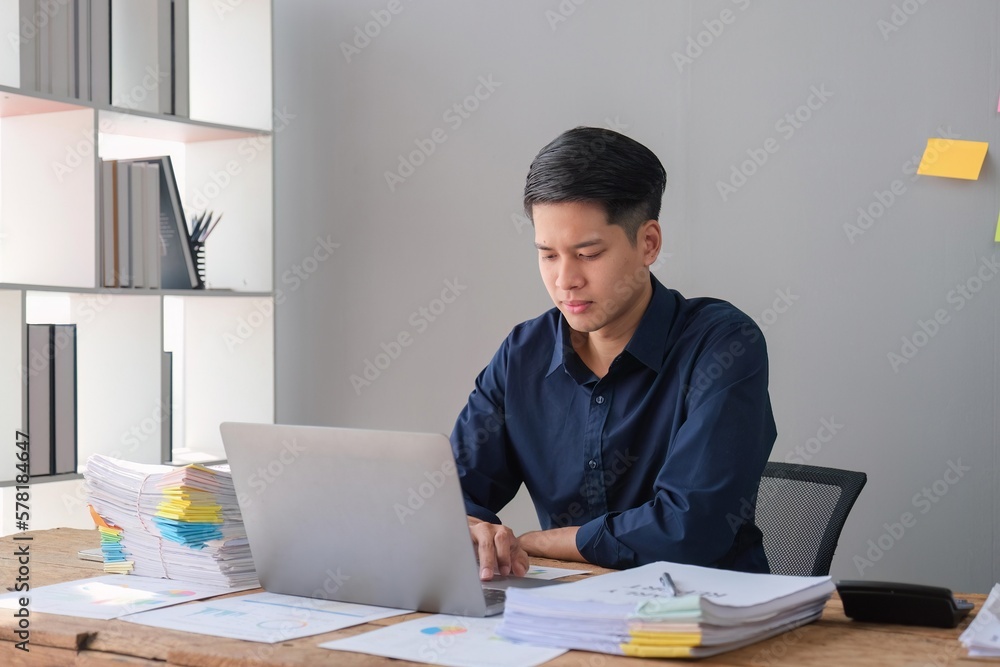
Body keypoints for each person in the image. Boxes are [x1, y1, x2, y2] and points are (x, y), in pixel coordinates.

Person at [450, 127, 776, 581]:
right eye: (547, 255)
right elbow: (450, 496)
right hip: (570, 610)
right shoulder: (523, 354)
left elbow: (691, 528)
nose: (565, 280)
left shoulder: (722, 344)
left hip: (709, 616)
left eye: (587, 254)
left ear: (648, 243)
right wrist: (466, 529)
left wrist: (544, 542)